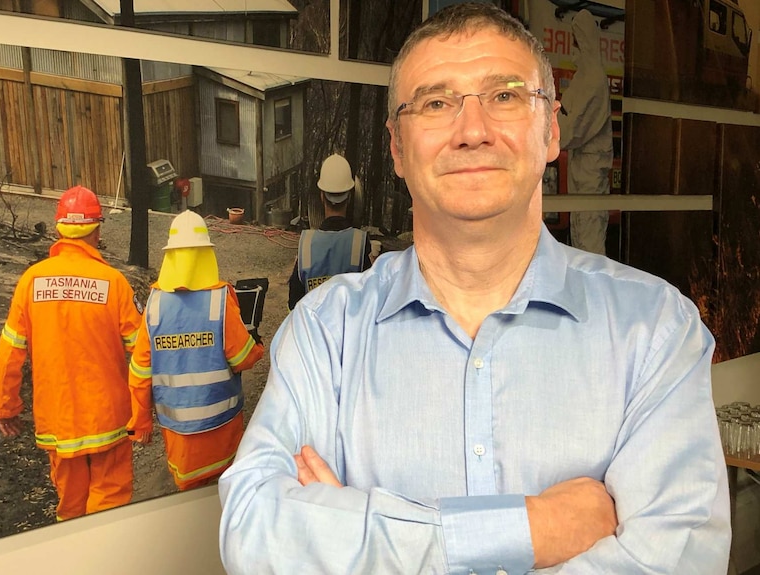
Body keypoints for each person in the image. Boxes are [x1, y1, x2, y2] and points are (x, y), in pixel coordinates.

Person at [219, 4, 730, 574]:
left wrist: (358, 535)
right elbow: (256, 534)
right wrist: (528, 530)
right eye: (436, 103)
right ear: (397, 148)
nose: (472, 131)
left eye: (505, 96)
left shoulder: (656, 330)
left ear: (551, 130)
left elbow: (680, 563)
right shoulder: (324, 332)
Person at [0, 185, 143, 521]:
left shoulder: (31, 281)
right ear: (97, 229)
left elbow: (10, 350)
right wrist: (146, 408)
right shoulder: (113, 282)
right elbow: (142, 352)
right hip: (109, 418)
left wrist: (6, 406)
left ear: (59, 229)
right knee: (111, 503)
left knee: (71, 508)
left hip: (57, 419)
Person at [127, 210, 264, 491]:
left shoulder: (154, 305)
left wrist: (140, 423)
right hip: (222, 431)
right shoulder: (220, 299)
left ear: (170, 256)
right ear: (206, 254)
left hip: (179, 437)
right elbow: (241, 358)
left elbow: (140, 370)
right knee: (223, 499)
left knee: (188, 500)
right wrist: (258, 348)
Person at [557, 9, 614, 255]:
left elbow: (571, 129)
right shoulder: (584, 77)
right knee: (580, 241)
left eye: (577, 39)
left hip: (590, 177)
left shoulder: (593, 80)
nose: (574, 46)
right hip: (581, 173)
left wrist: (546, 134)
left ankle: (595, 294)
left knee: (590, 245)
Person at [287, 153, 372, 309]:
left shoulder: (305, 245)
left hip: (312, 332)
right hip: (348, 332)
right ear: (349, 197)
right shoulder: (359, 244)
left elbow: (293, 305)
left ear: (321, 196)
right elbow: (369, 303)